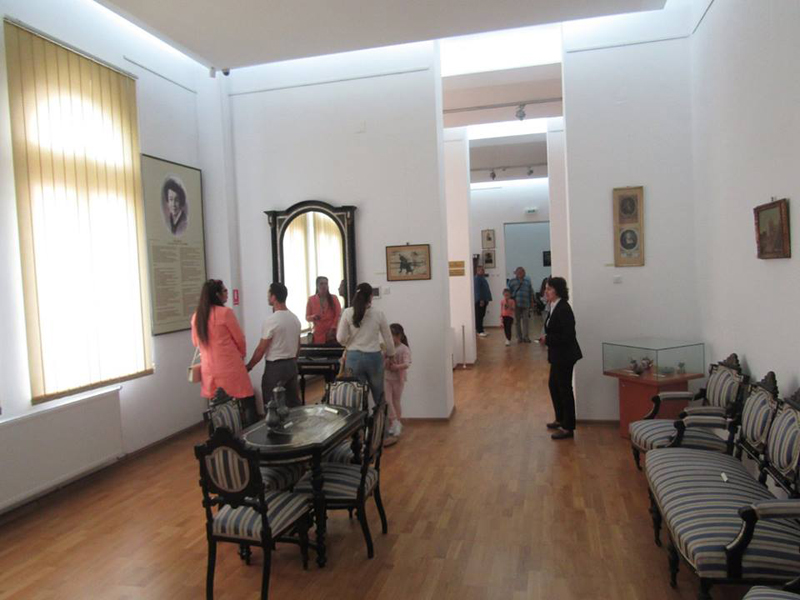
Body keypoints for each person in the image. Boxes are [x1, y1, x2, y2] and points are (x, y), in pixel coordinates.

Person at [191, 279, 256, 424]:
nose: (227, 293)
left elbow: (196, 342)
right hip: (230, 367)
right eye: (225, 290)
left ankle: (220, 432)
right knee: (246, 400)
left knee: (217, 407)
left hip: (209, 370)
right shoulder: (225, 313)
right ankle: (249, 432)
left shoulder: (197, 317)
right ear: (217, 294)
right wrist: (241, 355)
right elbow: (239, 339)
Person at [246, 282, 302, 412]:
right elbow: (298, 346)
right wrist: (293, 360)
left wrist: (249, 366)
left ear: (274, 297)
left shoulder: (271, 320)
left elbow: (261, 349)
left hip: (275, 368)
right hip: (292, 365)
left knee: (272, 405)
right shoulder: (295, 319)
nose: (267, 297)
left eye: (269, 294)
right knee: (293, 404)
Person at [538, 277, 583, 440]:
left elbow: (568, 335)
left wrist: (548, 339)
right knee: (554, 386)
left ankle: (568, 427)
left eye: (549, 289)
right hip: (557, 355)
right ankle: (560, 419)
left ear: (557, 290)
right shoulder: (553, 306)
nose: (546, 291)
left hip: (565, 355)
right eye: (546, 288)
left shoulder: (563, 308)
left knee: (564, 390)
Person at [336, 282, 395, 404]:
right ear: (371, 297)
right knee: (379, 394)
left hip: (353, 357)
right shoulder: (378, 313)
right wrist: (391, 354)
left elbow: (340, 338)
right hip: (374, 357)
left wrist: (348, 342)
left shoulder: (347, 312)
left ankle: (361, 416)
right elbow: (388, 337)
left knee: (356, 396)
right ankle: (380, 416)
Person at [384, 323, 412, 445]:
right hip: (386, 377)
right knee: (387, 400)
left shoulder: (404, 349)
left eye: (391, 336)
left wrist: (396, 367)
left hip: (398, 379)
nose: (389, 339)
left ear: (399, 335)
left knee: (396, 401)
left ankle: (396, 424)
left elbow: (407, 363)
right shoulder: (387, 347)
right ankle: (394, 422)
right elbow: (382, 360)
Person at [305, 276, 342, 345]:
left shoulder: (334, 298)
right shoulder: (311, 299)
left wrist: (333, 328)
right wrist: (313, 317)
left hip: (332, 333)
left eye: (326, 283)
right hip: (318, 334)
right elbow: (307, 317)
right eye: (321, 284)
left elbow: (338, 314)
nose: (324, 286)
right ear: (317, 286)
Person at [508, 267, 533, 343]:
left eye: (522, 272)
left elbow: (531, 292)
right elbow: (508, 293)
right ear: (516, 273)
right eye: (519, 272)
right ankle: (519, 337)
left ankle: (526, 337)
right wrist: (509, 303)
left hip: (526, 304)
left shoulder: (527, 282)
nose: (521, 273)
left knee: (526, 321)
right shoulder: (511, 281)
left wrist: (532, 302)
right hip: (516, 304)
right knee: (517, 321)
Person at [474, 266, 492, 338]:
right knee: (479, 315)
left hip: (484, 299)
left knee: (482, 315)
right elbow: (477, 290)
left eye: (483, 270)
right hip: (480, 301)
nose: (483, 271)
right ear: (478, 271)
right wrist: (480, 300)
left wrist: (487, 299)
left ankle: (481, 329)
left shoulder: (482, 278)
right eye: (482, 270)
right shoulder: (477, 279)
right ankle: (479, 331)